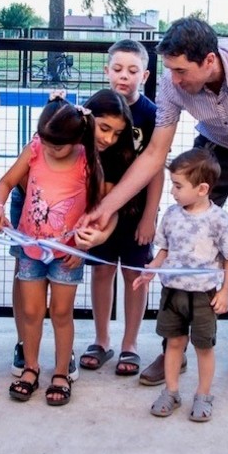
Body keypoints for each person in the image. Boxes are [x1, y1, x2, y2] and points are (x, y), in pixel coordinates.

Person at [81, 17, 228, 389]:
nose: (174, 80)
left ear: (209, 61)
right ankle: (172, 348)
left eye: (181, 71)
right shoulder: (171, 82)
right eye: (171, 70)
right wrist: (106, 207)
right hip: (210, 154)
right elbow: (154, 154)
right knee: (181, 246)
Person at [0, 97, 111, 406]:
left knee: (61, 312)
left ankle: (60, 371)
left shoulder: (87, 159)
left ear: (76, 139)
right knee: (31, 312)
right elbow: (5, 183)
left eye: (58, 146)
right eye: (46, 142)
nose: (50, 149)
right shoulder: (34, 149)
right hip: (30, 247)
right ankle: (30, 367)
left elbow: (98, 209)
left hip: (67, 253)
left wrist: (83, 245)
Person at [134, 149, 228, 422]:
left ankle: (204, 394)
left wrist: (225, 291)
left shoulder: (218, 220)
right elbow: (164, 249)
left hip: (204, 296)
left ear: (202, 189)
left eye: (178, 186)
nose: (172, 192)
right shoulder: (171, 215)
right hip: (173, 293)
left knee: (203, 347)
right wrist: (151, 269)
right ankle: (171, 392)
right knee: (174, 343)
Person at [79, 40, 163, 377]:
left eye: (132, 70)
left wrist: (149, 216)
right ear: (106, 71)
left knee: (134, 275)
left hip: (135, 212)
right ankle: (101, 340)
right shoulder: (93, 110)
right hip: (100, 208)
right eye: (117, 69)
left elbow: (156, 168)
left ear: (145, 75)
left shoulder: (153, 115)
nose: (123, 76)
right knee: (101, 271)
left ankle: (130, 343)